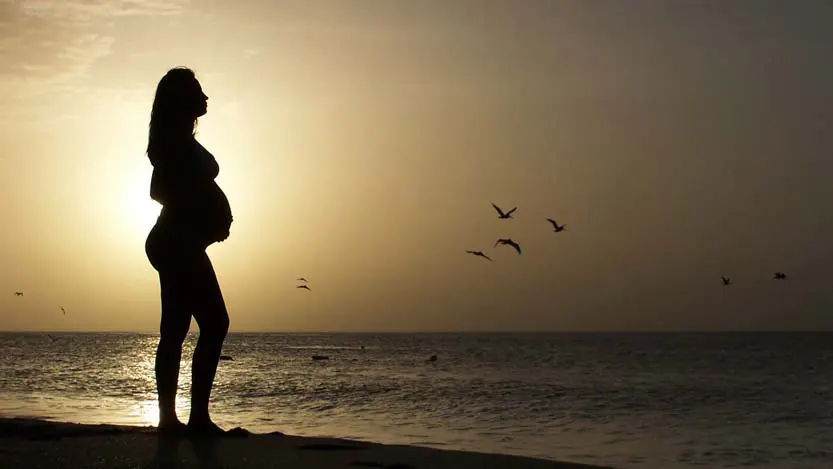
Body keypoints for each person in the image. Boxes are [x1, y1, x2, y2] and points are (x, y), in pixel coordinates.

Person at [144, 67, 234, 436]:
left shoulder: (179, 137)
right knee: (214, 323)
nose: (206, 97)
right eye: (198, 90)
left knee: (177, 328)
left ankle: (175, 419)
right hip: (177, 240)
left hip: (180, 240)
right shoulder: (172, 142)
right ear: (182, 98)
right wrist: (200, 213)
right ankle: (192, 419)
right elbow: (159, 191)